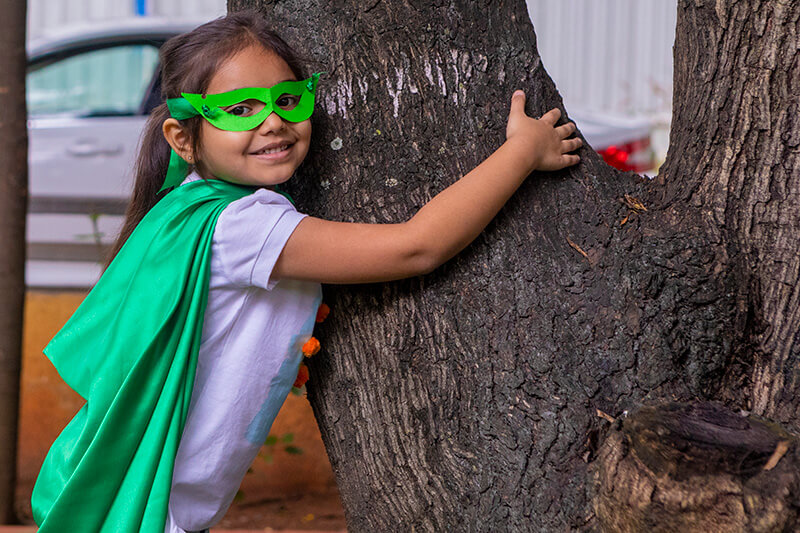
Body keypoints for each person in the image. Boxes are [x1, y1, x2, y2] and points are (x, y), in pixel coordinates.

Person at [31, 9, 582, 533]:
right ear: (184, 138)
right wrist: (522, 153)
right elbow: (417, 247)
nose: (273, 121)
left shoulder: (186, 206)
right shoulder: (246, 225)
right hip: (144, 508)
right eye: (239, 109)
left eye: (288, 99)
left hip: (121, 488)